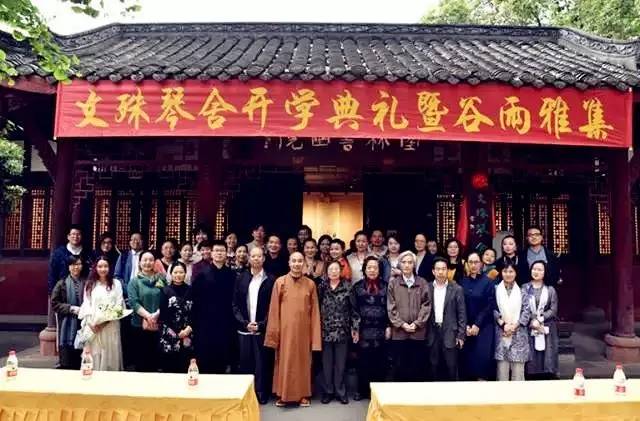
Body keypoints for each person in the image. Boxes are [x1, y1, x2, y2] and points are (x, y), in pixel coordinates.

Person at [265, 252, 321, 407]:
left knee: (304, 362)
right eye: (294, 261)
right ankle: (283, 394)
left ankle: (303, 394)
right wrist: (274, 334)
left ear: (304, 264)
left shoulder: (310, 284)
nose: (297, 264)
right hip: (285, 331)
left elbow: (315, 311)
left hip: (304, 331)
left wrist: (315, 337)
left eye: (300, 261)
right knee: (285, 361)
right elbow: (274, 310)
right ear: (289, 263)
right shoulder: (280, 282)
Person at [233, 247, 275, 404]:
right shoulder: (241, 278)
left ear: (264, 258)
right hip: (244, 329)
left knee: (262, 363)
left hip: (261, 329)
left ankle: (261, 393)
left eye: (259, 256)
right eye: (253, 256)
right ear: (249, 258)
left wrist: (262, 324)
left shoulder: (271, 280)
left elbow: (273, 307)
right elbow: (235, 304)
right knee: (245, 363)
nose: (256, 259)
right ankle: (246, 395)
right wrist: (244, 323)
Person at [191, 240, 236, 374]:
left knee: (223, 358)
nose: (219, 253)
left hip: (225, 322)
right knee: (205, 358)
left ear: (226, 253)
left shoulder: (232, 275)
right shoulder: (202, 275)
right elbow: (195, 300)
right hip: (205, 323)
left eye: (222, 251)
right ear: (211, 253)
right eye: (216, 250)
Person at [387, 250, 432, 382]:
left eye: (410, 262)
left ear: (414, 265)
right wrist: (402, 324)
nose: (407, 265)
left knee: (417, 368)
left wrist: (417, 323)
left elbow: (426, 305)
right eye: (404, 262)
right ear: (399, 264)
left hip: (418, 333)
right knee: (399, 368)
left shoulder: (422, 283)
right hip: (399, 333)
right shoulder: (393, 283)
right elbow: (391, 307)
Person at [318, 261, 359, 405]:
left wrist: (355, 329)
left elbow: (354, 310)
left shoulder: (348, 287)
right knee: (327, 364)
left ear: (340, 271)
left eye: (336, 269)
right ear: (327, 272)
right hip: (325, 331)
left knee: (341, 364)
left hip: (342, 331)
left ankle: (340, 391)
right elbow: (316, 307)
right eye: (331, 269)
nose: (333, 271)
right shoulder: (322, 287)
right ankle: (328, 391)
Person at [350, 256, 390, 400]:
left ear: (379, 270)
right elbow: (353, 309)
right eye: (369, 267)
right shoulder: (357, 287)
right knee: (363, 361)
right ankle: (362, 390)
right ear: (364, 269)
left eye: (375, 268)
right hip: (363, 330)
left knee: (380, 361)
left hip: (381, 329)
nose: (372, 270)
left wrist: (388, 326)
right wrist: (355, 329)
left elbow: (390, 308)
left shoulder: (386, 286)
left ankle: (378, 392)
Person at [79, 256, 124, 371]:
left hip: (110, 325)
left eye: (105, 266)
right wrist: (91, 323)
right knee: (95, 354)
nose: (103, 269)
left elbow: (119, 305)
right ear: (95, 268)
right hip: (93, 326)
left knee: (110, 355)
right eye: (100, 266)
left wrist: (104, 322)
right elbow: (86, 304)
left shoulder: (116, 284)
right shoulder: (90, 284)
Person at [426, 257, 466, 381]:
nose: (440, 272)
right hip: (432, 332)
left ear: (448, 271)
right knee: (433, 367)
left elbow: (462, 313)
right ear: (433, 271)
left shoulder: (457, 289)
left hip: (450, 333)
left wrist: (461, 335)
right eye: (438, 269)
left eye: (443, 269)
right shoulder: (427, 287)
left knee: (451, 368)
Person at [460, 252, 495, 380]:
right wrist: (465, 325)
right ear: (467, 264)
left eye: (476, 262)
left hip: (484, 327)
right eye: (471, 262)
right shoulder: (462, 282)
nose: (473, 265)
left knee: (482, 362)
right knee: (467, 364)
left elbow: (489, 306)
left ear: (481, 264)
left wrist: (477, 324)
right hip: (466, 328)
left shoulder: (488, 282)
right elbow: (460, 306)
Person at [127, 251, 165, 372]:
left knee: (157, 363)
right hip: (139, 326)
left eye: (151, 260)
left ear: (154, 262)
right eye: (145, 260)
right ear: (140, 263)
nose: (148, 262)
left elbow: (166, 299)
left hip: (158, 325)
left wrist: (157, 314)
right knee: (142, 363)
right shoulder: (134, 282)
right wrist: (148, 316)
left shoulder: (161, 279)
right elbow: (134, 302)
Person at [494, 263, 530, 381]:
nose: (508, 274)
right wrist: (503, 325)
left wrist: (514, 326)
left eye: (511, 271)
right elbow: (492, 309)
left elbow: (526, 311)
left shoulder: (522, 291)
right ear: (501, 273)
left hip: (518, 334)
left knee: (518, 374)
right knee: (502, 373)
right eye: (505, 271)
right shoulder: (495, 290)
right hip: (501, 333)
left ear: (515, 273)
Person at [523, 260, 559, 380]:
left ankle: (548, 375)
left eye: (540, 270)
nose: (536, 272)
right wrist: (532, 320)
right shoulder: (525, 288)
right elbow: (523, 307)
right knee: (531, 354)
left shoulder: (550, 289)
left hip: (546, 326)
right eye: (534, 269)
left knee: (547, 354)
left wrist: (539, 320)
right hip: (530, 325)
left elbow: (553, 310)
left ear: (545, 272)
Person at [51, 255, 86, 369]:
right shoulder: (61, 283)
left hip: (83, 322)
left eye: (78, 264)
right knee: (67, 360)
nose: (76, 267)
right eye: (73, 264)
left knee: (82, 358)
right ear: (68, 267)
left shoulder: (87, 282)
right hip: (67, 324)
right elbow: (54, 303)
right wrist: (70, 308)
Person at [158, 261, 193, 373]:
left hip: (188, 333)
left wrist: (189, 328)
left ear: (185, 273)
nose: (178, 275)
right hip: (170, 335)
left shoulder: (191, 290)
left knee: (186, 367)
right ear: (171, 274)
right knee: (170, 368)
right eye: (175, 272)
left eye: (181, 272)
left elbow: (196, 311)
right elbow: (163, 314)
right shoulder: (165, 290)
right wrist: (177, 331)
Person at [48, 225, 91, 294]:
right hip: (63, 291)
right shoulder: (59, 253)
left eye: (78, 234)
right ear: (68, 236)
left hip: (83, 290)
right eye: (73, 234)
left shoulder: (88, 253)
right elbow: (52, 275)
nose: (76, 237)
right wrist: (52, 292)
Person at [114, 232, 145, 298]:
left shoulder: (146, 256)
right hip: (126, 293)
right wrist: (127, 288)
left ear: (142, 242)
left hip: (143, 293)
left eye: (138, 239)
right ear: (130, 242)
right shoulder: (123, 256)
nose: (136, 242)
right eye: (133, 239)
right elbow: (117, 276)